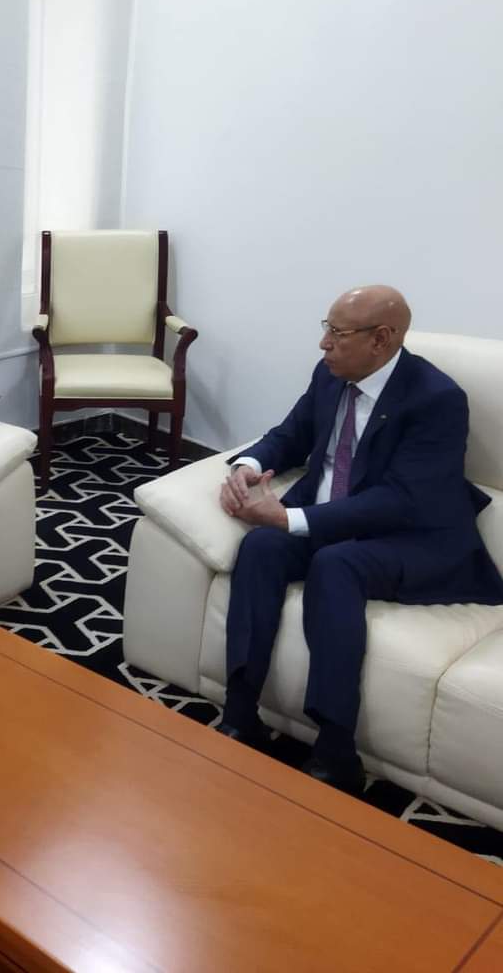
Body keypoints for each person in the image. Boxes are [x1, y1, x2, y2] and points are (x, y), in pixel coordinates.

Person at [217, 285, 503, 792]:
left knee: (335, 565)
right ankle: (240, 715)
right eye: (325, 328)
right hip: (330, 517)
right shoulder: (330, 375)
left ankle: (335, 750)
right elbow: (292, 433)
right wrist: (247, 466)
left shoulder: (436, 399)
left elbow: (401, 500)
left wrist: (290, 518)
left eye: (337, 332)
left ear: (381, 339)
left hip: (408, 536)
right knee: (259, 547)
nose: (324, 343)